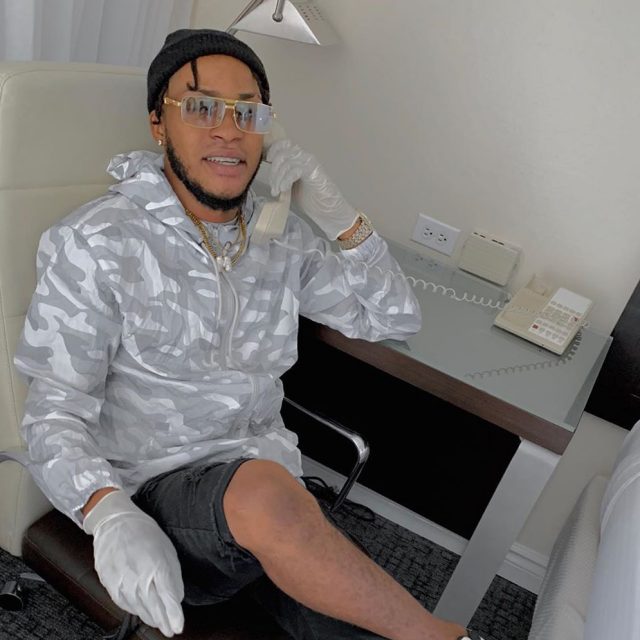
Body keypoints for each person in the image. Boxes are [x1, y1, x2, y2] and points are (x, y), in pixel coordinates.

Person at [14, 29, 484, 640]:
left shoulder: (278, 239)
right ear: (158, 124)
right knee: (266, 495)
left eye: (248, 113)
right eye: (201, 107)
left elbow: (392, 317)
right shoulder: (99, 243)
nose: (229, 130)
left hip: (272, 496)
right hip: (155, 501)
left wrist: (341, 218)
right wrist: (107, 513)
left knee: (357, 613)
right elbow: (53, 413)